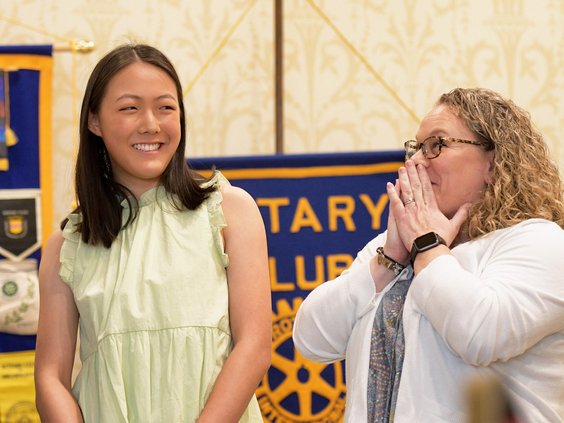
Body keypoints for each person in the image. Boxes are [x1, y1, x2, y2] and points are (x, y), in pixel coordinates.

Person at [293, 87, 564, 422]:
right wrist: (390, 260)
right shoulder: (395, 247)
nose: (416, 160)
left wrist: (426, 246)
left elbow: (480, 335)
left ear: (495, 162)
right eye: (416, 147)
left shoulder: (541, 241)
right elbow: (311, 340)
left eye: (437, 144)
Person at [34, 43, 271, 422]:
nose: (151, 124)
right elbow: (50, 378)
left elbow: (255, 345)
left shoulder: (229, 210)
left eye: (166, 107)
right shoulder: (69, 244)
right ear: (95, 121)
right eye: (130, 108)